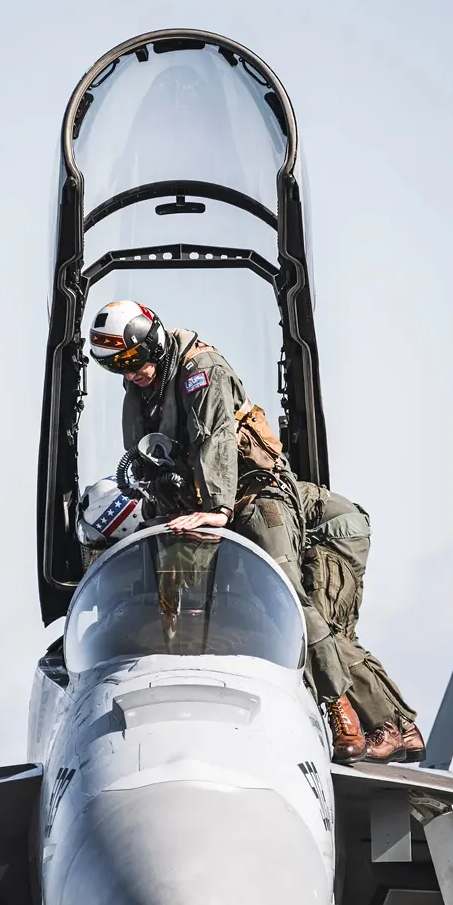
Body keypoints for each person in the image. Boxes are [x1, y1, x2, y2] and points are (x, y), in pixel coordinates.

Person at [87, 299, 366, 762]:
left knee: (288, 591)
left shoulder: (202, 369)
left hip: (252, 495)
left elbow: (215, 435)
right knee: (170, 599)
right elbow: (140, 453)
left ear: (151, 340)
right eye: (117, 366)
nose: (129, 373)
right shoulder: (140, 386)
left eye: (132, 361)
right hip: (196, 503)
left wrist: (217, 508)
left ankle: (339, 707)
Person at [296, 483, 425, 763]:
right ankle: (405, 729)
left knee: (321, 635)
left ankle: (388, 726)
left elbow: (280, 554)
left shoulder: (247, 495)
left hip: (332, 537)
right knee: (342, 639)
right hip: (341, 534)